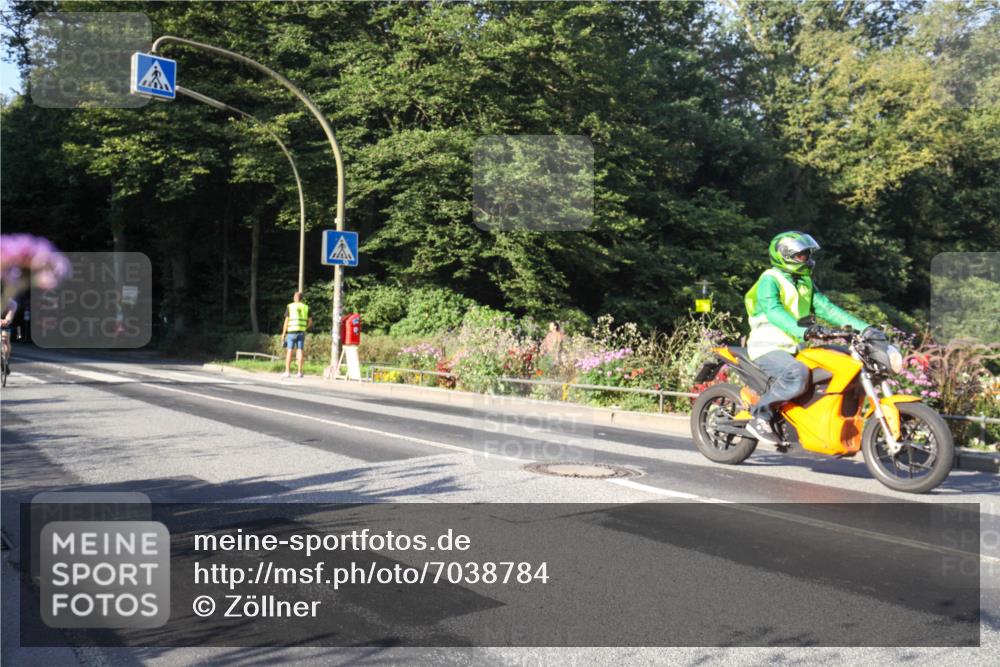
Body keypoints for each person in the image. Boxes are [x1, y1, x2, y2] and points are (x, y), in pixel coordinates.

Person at [742, 231, 880, 444]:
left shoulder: (804, 282)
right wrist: (804, 330)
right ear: (784, 255)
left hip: (794, 347)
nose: (806, 259)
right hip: (766, 346)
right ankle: (761, 415)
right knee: (797, 374)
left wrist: (865, 329)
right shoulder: (770, 279)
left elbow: (827, 309)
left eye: (807, 254)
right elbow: (774, 311)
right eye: (801, 255)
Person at [280, 291, 312, 378]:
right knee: (300, 350)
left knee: (289, 351)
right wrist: (304, 328)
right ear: (301, 298)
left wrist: (283, 333)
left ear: (295, 297)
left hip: (291, 332)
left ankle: (287, 372)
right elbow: (310, 322)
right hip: (301, 332)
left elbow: (286, 321)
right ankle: (299, 372)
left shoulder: (290, 306)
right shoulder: (306, 307)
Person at [1, 298, 17, 376]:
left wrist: (7, 320)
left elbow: (10, 316)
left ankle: (5, 361)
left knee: (5, 338)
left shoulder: (12, 303)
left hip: (4, 322)